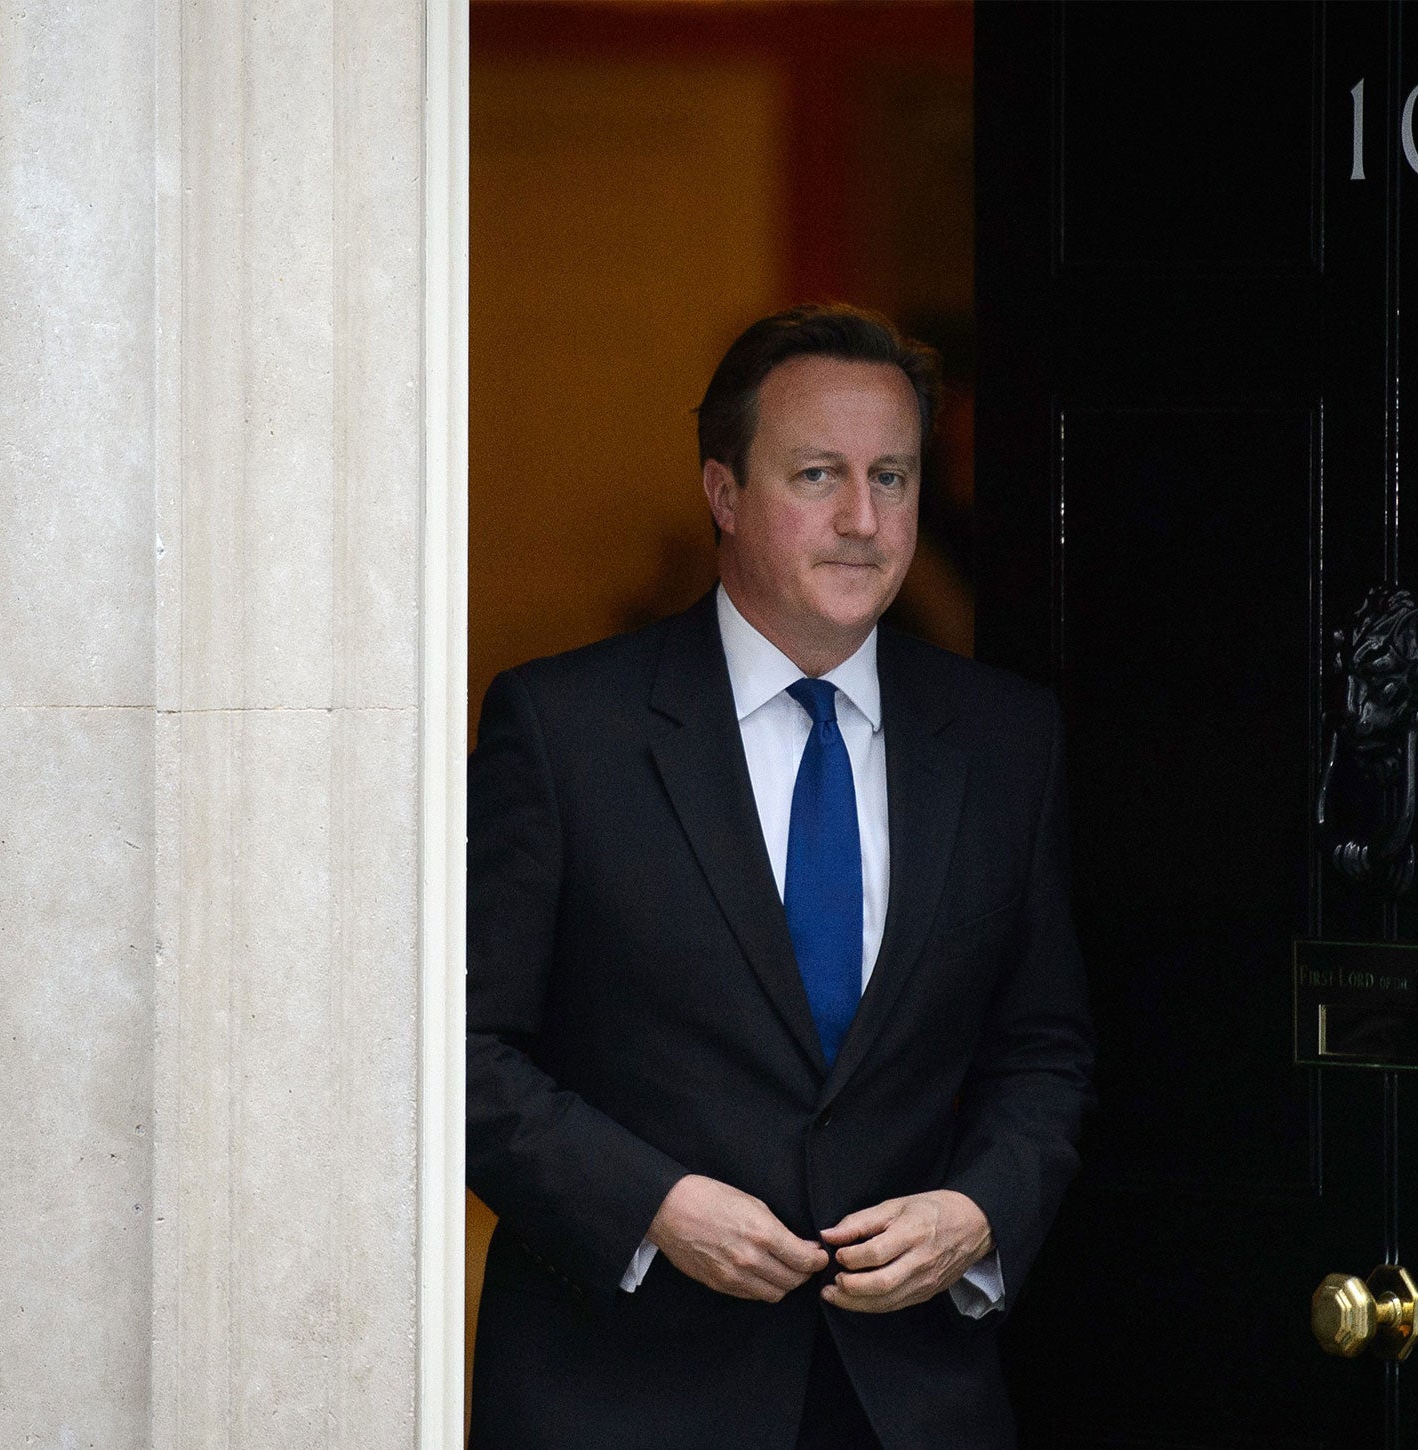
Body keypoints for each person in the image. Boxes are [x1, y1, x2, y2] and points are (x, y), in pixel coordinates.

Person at [467, 304, 1094, 1449]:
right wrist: (651, 1207)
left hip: (910, 1398)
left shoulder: (1006, 740)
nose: (862, 520)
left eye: (892, 478)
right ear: (721, 492)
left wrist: (976, 1211)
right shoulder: (563, 730)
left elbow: (1041, 1048)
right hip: (620, 1394)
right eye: (817, 474)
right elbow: (458, 1050)